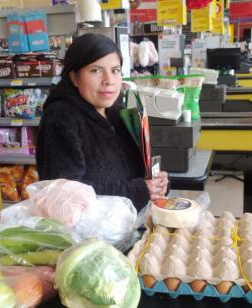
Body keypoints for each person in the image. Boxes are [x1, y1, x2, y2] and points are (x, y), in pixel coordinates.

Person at [36, 33, 169, 210]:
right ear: (75, 77)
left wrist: (156, 182)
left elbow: (136, 170)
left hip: (129, 222)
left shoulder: (119, 112)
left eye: (115, 71)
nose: (109, 81)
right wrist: (140, 191)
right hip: (91, 234)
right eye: (96, 70)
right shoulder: (61, 118)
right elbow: (68, 196)